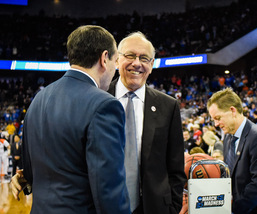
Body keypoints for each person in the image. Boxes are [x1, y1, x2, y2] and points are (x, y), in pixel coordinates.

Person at [11, 25, 130, 213]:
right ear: (104, 58)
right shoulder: (105, 105)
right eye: (116, 61)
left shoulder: (38, 99)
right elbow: (109, 191)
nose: (115, 69)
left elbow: (30, 172)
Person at [108, 32, 186, 214]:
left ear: (151, 65)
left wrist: (172, 208)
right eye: (130, 55)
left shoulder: (168, 106)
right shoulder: (97, 97)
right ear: (117, 60)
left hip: (155, 208)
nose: (137, 63)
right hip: (105, 206)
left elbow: (176, 167)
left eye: (144, 58)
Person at [207, 87, 257, 214]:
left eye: (218, 118)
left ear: (232, 110)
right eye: (214, 120)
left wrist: (231, 209)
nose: (216, 124)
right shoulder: (228, 138)